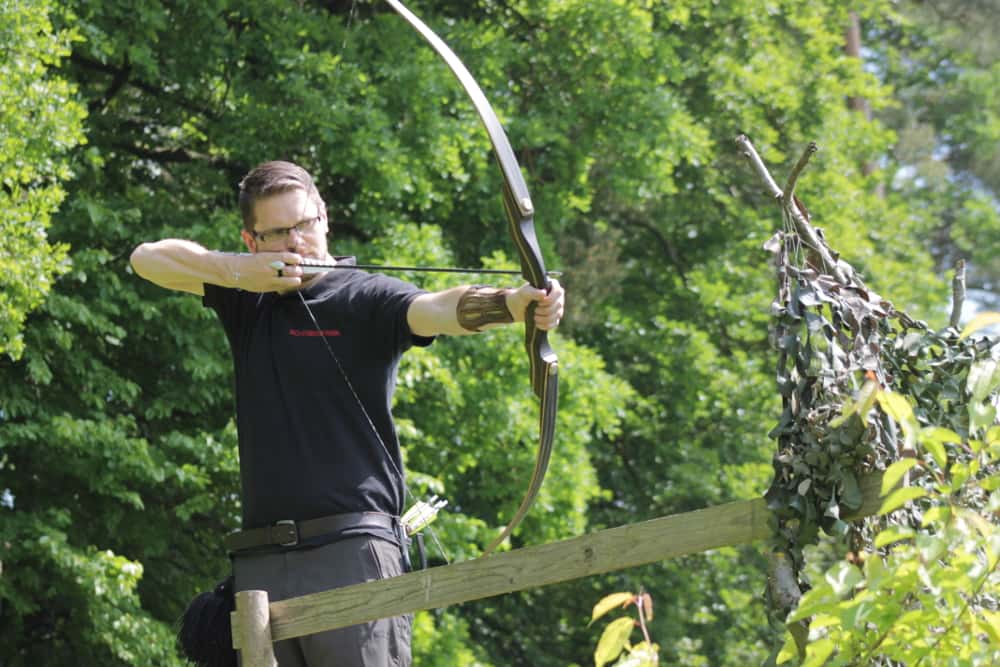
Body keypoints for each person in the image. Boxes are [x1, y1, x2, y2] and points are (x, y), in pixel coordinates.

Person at [130, 160, 564, 666]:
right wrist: (235, 272)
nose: (297, 242)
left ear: (324, 217)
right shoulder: (248, 299)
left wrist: (514, 304)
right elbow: (146, 258)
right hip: (261, 563)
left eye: (305, 224)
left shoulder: (365, 296)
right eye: (278, 233)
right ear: (252, 241)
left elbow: (438, 308)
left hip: (352, 551)